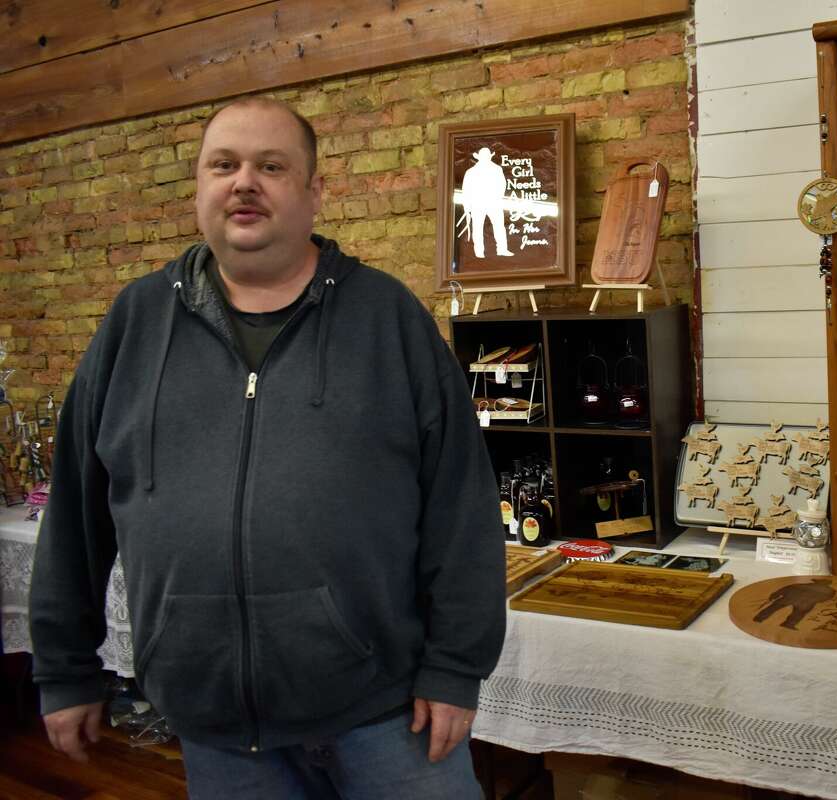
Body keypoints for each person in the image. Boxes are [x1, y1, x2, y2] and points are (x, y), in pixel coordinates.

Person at [29, 97, 506, 799]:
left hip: (385, 712)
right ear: (199, 188)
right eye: (223, 165)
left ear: (315, 192)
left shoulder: (387, 320)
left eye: (271, 166)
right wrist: (65, 668)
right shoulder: (135, 323)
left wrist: (454, 666)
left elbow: (461, 508)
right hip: (217, 728)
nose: (243, 182)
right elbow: (75, 507)